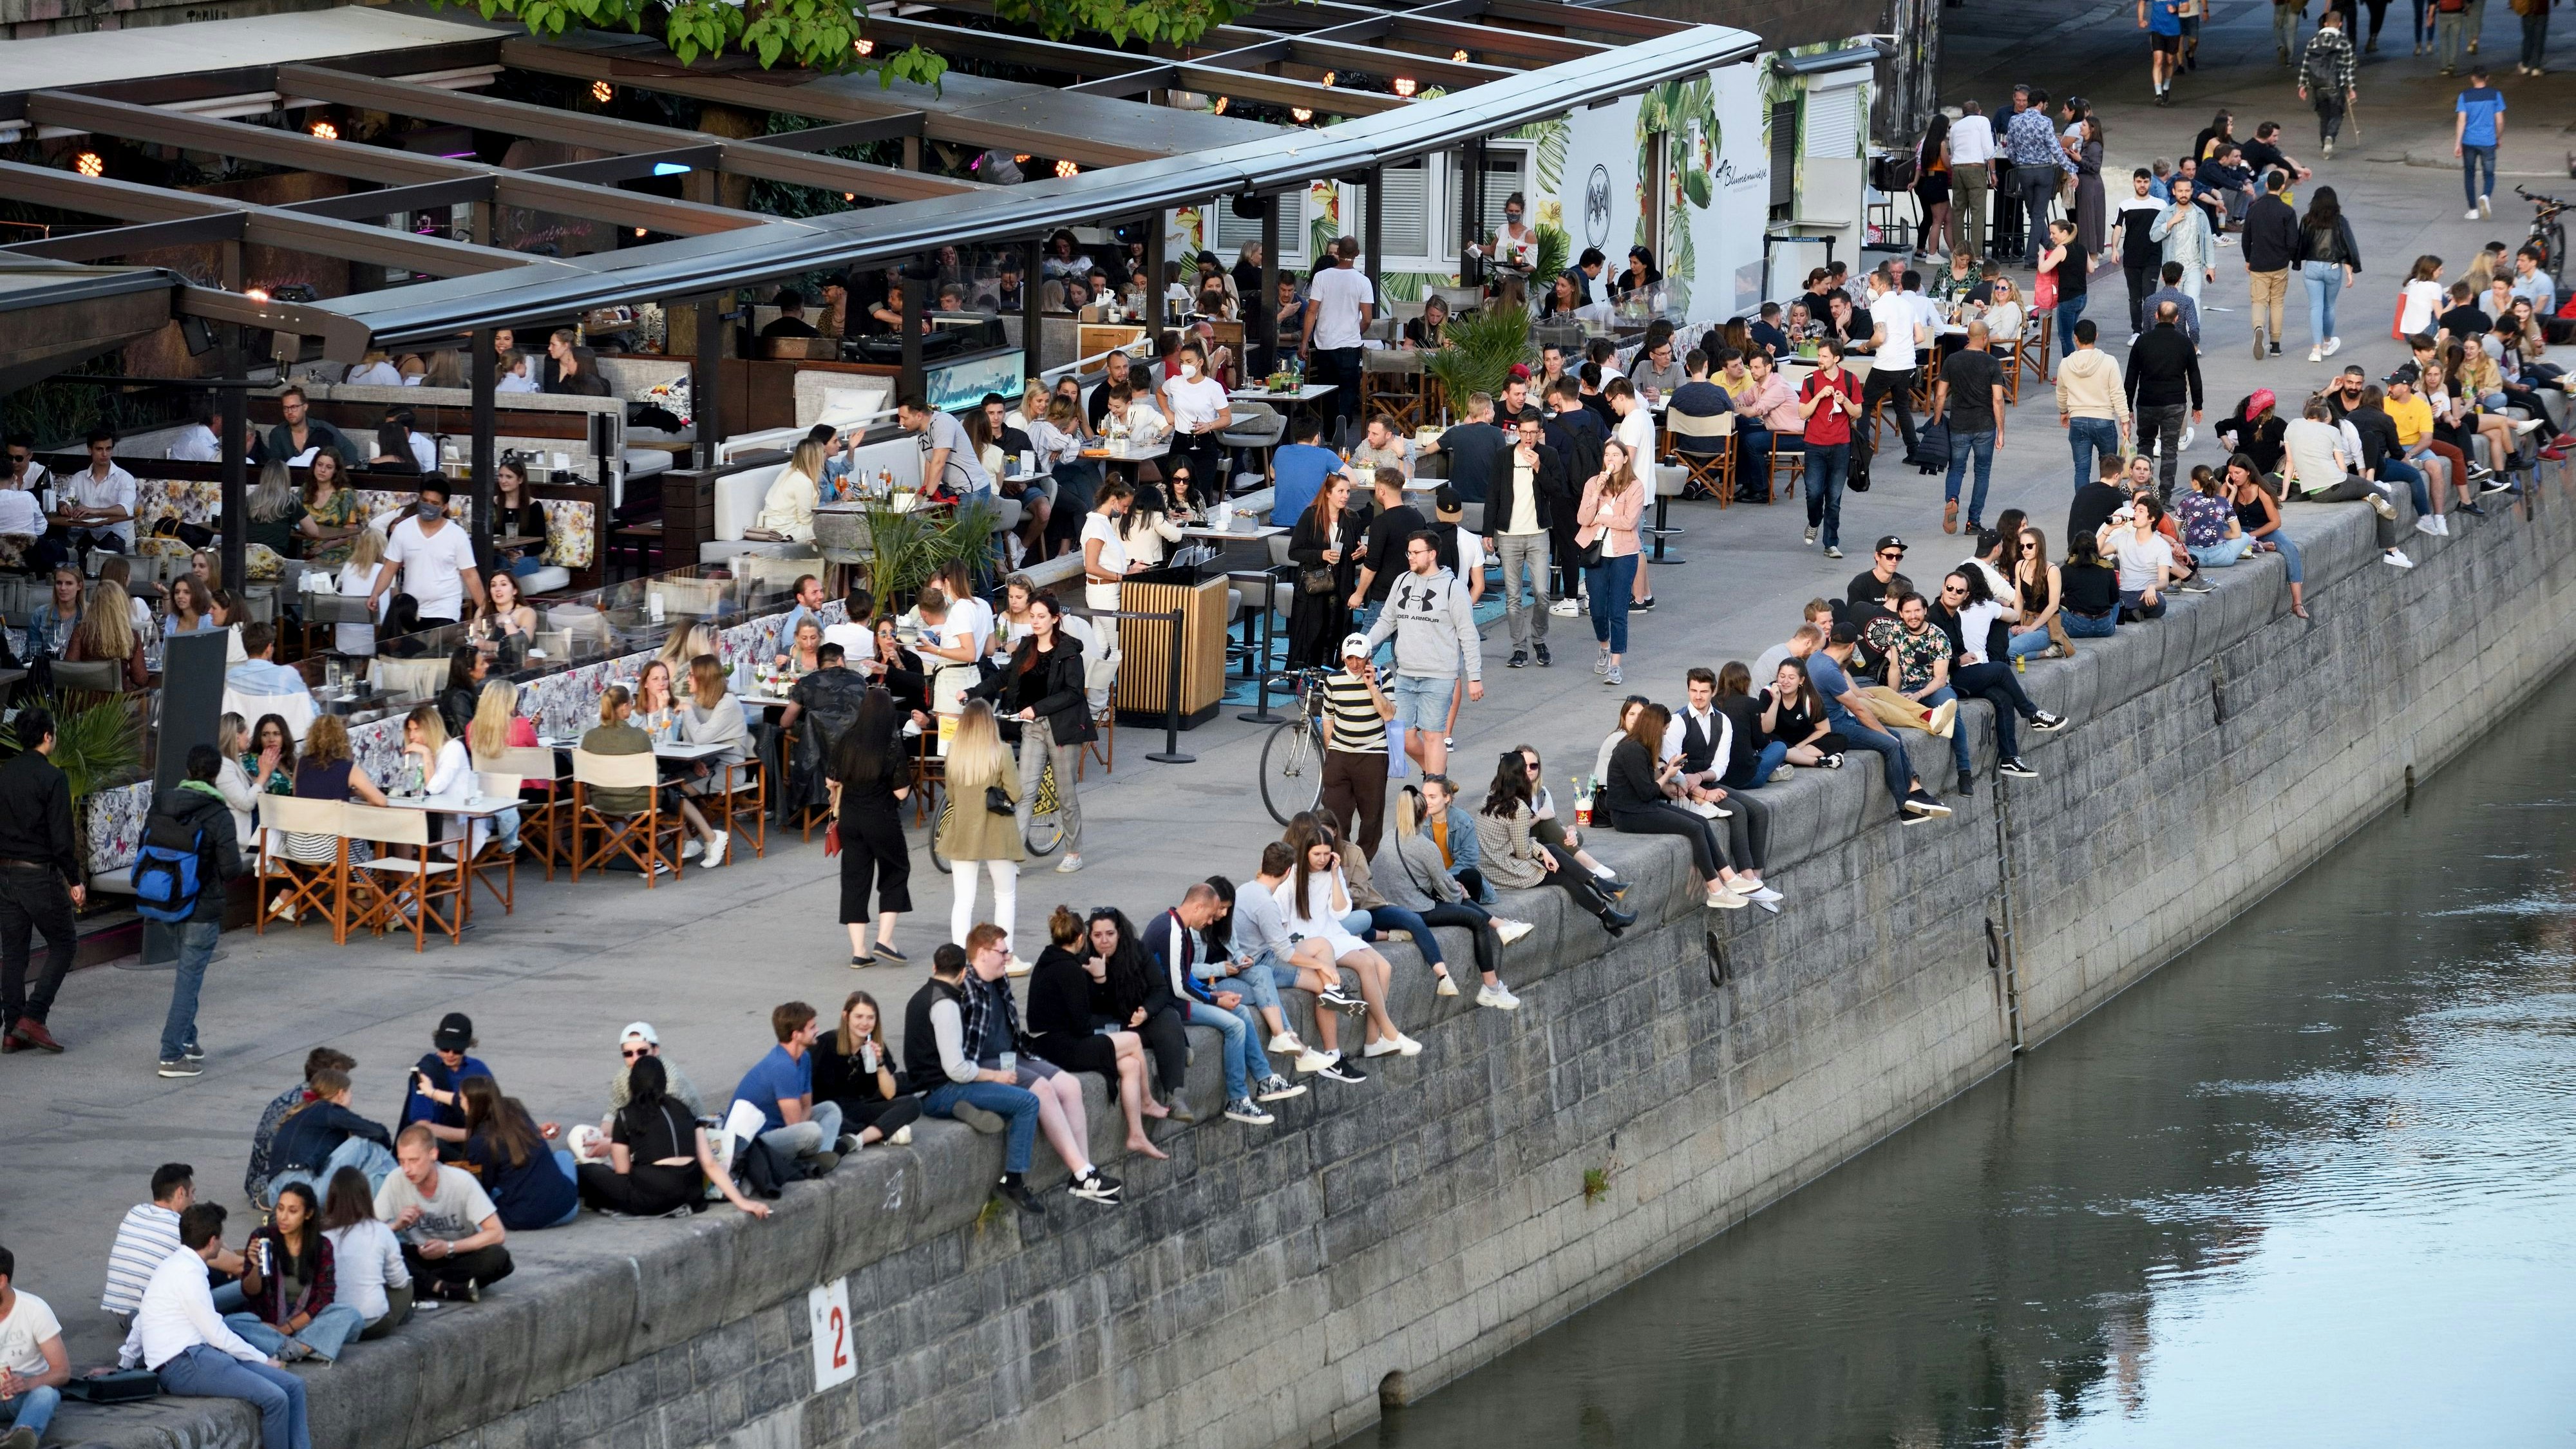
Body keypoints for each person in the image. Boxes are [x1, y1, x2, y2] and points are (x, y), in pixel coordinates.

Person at [909, 933, 1124, 1213]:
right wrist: (991, 1077)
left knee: (1070, 1086)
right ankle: (1081, 1172)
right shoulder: (962, 989)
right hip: (981, 1063)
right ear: (983, 953)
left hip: (1012, 1055)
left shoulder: (1000, 978)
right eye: (1003, 952)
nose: (1009, 958)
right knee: (1039, 1093)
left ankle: (1083, 1174)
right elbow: (955, 1059)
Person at [116, 1204, 314, 1449]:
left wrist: (123, 1364)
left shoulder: (171, 1265)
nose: (222, 1243)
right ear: (212, 1241)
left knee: (294, 1386)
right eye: (221, 1238)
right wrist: (263, 1360)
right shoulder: (190, 1275)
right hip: (184, 1365)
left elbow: (141, 1322)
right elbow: (217, 1334)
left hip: (202, 1357)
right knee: (276, 1399)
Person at [144, 746, 246, 1080]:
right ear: (216, 774)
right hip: (202, 909)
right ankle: (171, 1055)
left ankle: (188, 1040)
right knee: (188, 982)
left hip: (166, 902)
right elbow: (231, 869)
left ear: (188, 770)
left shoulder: (162, 804)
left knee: (188, 977)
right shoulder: (218, 814)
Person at [974, 594, 1092, 876]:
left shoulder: (1068, 652)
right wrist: (973, 692)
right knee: (1024, 791)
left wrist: (1036, 708)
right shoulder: (1027, 646)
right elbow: (1004, 676)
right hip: (1033, 728)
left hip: (1061, 728)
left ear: (1055, 619)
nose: (1036, 621)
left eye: (1041, 616)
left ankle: (1073, 852)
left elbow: (1074, 692)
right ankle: (1014, 857)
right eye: (1033, 616)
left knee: (1066, 795)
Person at [1276, 817, 1412, 1061]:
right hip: (1310, 937)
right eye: (1317, 853)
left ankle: (1374, 1040)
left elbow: (1341, 911)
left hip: (1332, 932)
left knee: (1385, 966)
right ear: (1306, 852)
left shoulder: (1332, 872)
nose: (1322, 859)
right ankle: (1389, 1031)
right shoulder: (1293, 875)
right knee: (1366, 965)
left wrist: (1336, 874)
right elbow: (1278, 915)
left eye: (1327, 854)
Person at [1359, 531, 1481, 781]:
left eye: (1416, 553)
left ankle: (1434, 788)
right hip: (1405, 674)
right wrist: (1363, 646)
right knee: (1401, 736)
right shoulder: (1402, 581)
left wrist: (1474, 678)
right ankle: (1437, 776)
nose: (1410, 557)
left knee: (1434, 735)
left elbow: (1468, 635)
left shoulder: (1453, 588)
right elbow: (1386, 621)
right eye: (1409, 553)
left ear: (1432, 554)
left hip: (1440, 677)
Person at [0, 708, 81, 1057]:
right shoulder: (52, 778)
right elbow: (62, 840)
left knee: (14, 953)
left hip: (5, 873)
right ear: (48, 736)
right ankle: (33, 1017)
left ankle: (11, 1028)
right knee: (64, 943)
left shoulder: (4, 774)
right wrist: (74, 880)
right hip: (38, 874)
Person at [1813, 623, 1951, 822]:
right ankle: (1905, 806)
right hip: (1837, 727)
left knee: (1895, 736)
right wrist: (1883, 734)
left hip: (1836, 719)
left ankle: (1916, 790)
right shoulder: (1830, 672)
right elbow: (1859, 710)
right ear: (1852, 647)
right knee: (1890, 743)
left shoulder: (1819, 657)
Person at [824, 685, 914, 966]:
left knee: (855, 880)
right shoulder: (890, 745)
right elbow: (901, 793)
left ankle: (859, 951)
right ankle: (885, 940)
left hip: (850, 819)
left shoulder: (846, 740)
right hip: (882, 818)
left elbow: (831, 781)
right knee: (896, 872)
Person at [225, 1180, 365, 1363]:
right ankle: (304, 1347)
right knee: (231, 1323)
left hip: (306, 1323)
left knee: (351, 1316)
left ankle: (290, 1347)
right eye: (280, 1209)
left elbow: (326, 1294)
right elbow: (249, 1291)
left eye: (292, 1211)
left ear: (308, 1214)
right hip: (268, 1324)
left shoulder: (324, 1247)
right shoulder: (262, 1237)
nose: (283, 1217)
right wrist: (256, 1267)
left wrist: (286, 1329)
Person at [375, 1125, 511, 1302]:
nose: (407, 1169)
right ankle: (443, 1287)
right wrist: (396, 1225)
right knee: (382, 1253)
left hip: (458, 1254)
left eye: (414, 1160)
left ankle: (423, 1284)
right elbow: (367, 1232)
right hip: (420, 1254)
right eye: (402, 1161)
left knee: (499, 1258)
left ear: (433, 1154)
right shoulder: (395, 1179)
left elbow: (497, 1233)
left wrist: (448, 1247)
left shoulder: (460, 1181)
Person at [729, 1000, 851, 1174]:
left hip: (782, 1130)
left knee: (830, 1110)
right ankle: (811, 1160)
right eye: (812, 1027)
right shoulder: (782, 1066)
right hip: (755, 1142)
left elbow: (806, 1105)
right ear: (796, 1035)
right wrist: (810, 1133)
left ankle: (819, 1158)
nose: (817, 1030)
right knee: (812, 1132)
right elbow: (795, 1125)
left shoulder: (804, 1058)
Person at [265, 1066, 397, 1209]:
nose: (351, 1096)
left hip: (276, 1194)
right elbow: (378, 1133)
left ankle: (374, 1207)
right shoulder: (329, 1110)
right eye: (350, 1092)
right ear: (341, 1094)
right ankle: (401, 1193)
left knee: (367, 1164)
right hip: (305, 1189)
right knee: (367, 1145)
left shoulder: (300, 1115)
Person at [366, 478, 485, 633]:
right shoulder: (403, 530)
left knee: (432, 649)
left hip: (444, 610)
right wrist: (375, 593)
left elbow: (470, 575)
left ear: (444, 507)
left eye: (434, 503)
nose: (428, 505)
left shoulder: (457, 535)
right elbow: (389, 568)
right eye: (425, 501)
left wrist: (484, 607)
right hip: (410, 609)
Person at [318, 1167, 415, 1340]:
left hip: (334, 1323)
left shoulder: (321, 1235)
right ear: (366, 1197)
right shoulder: (381, 1230)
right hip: (373, 1324)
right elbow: (399, 1282)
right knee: (407, 1285)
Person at [1935, 322, 2006, 536]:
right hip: (1985, 426)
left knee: (1956, 468)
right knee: (1982, 473)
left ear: (1968, 336)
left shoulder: (1952, 360)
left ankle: (1953, 499)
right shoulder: (1992, 363)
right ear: (1984, 337)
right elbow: (1998, 399)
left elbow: (1940, 395)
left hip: (1959, 424)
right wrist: (2001, 430)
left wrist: (1937, 421)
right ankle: (1973, 522)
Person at [1799, 339, 1864, 561]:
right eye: (1819, 356)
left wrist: (1844, 399)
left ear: (1836, 358)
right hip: (1815, 444)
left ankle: (1831, 543)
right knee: (1814, 492)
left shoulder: (1849, 380)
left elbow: (1858, 412)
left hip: (1841, 445)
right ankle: (1814, 521)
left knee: (1834, 498)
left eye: (1825, 356)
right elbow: (1802, 413)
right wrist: (1819, 396)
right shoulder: (1810, 380)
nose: (1820, 360)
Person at [0, 1242, 69, 1449]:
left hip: (22, 1394)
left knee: (47, 1394)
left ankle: (20, 1438)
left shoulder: (35, 1310)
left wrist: (29, 1383)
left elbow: (62, 1371)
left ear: (1, 1280)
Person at [1302, 236, 1375, 429]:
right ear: (1357, 254)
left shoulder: (1321, 277)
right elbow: (1367, 319)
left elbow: (1311, 311)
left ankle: (1329, 431)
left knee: (1328, 391)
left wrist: (1304, 342)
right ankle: (1344, 420)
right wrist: (1356, 331)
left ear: (1338, 253)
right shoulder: (1363, 281)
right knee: (1349, 389)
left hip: (1325, 343)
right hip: (1350, 345)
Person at [2299, 8, 2358, 154]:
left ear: (2325, 24)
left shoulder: (2313, 41)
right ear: (2340, 24)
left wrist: (2303, 85)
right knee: (2337, 114)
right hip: (2335, 86)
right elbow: (2349, 67)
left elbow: (2306, 64)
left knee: (2324, 116)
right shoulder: (2343, 42)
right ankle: (2330, 138)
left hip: (2318, 86)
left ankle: (2324, 144)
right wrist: (2351, 88)